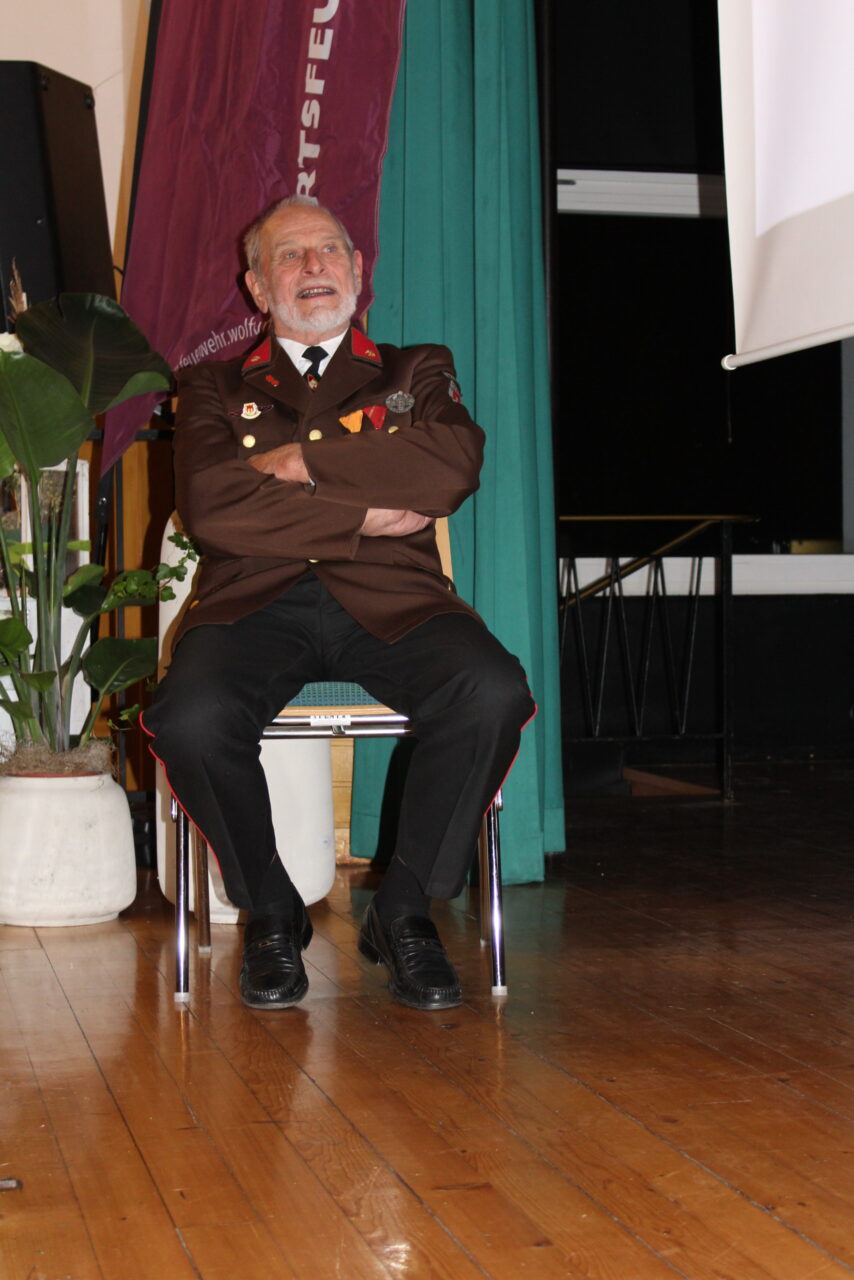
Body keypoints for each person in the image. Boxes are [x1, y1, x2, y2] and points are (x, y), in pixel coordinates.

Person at [143, 195, 534, 1012]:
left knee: (491, 689)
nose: (313, 266)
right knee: (190, 716)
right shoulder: (211, 387)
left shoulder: (413, 369)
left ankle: (404, 912)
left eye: (328, 250)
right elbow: (213, 508)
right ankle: (271, 910)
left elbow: (451, 468)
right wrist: (362, 511)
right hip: (254, 603)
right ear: (258, 287)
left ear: (358, 270)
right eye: (290, 255)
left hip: (396, 602)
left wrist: (296, 465)